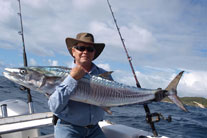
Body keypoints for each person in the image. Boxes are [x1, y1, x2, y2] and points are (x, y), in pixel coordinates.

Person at [48, 32, 112, 138]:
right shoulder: (61, 75)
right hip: (68, 128)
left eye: (90, 49)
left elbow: (111, 100)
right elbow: (55, 107)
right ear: (73, 51)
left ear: (94, 53)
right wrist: (72, 78)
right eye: (81, 48)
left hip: (95, 129)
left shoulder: (105, 76)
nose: (85, 52)